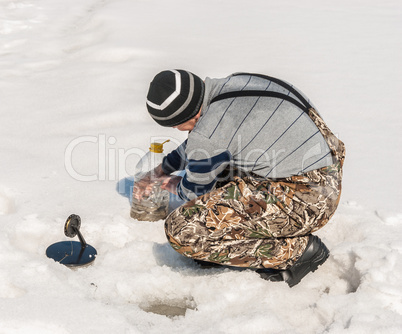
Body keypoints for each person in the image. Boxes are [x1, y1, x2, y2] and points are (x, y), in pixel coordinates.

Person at [134, 69, 345, 287]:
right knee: (222, 173)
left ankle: (297, 252)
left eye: (174, 124)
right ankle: (233, 241)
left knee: (184, 231)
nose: (177, 129)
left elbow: (194, 189)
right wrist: (163, 168)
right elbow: (209, 142)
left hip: (309, 199)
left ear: (188, 117)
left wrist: (172, 184)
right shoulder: (235, 83)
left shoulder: (210, 129)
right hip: (324, 170)